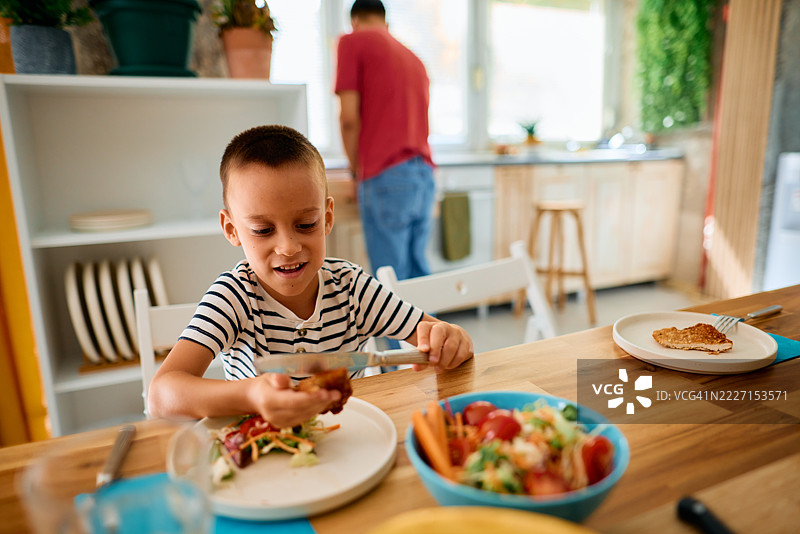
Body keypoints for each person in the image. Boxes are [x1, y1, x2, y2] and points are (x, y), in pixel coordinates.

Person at [147, 125, 473, 428]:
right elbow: (161, 395)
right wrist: (251, 396)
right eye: (263, 230)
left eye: (306, 225)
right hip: (261, 447)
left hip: (350, 438)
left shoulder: (352, 288)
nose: (288, 247)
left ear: (327, 218)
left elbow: (438, 335)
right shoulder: (233, 297)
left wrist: (451, 340)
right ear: (232, 229)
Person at [334, 0, 435, 281]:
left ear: (354, 21)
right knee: (419, 278)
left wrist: (356, 171)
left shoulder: (352, 41)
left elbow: (348, 118)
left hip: (387, 174)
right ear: (385, 22)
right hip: (424, 176)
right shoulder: (414, 59)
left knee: (389, 283)